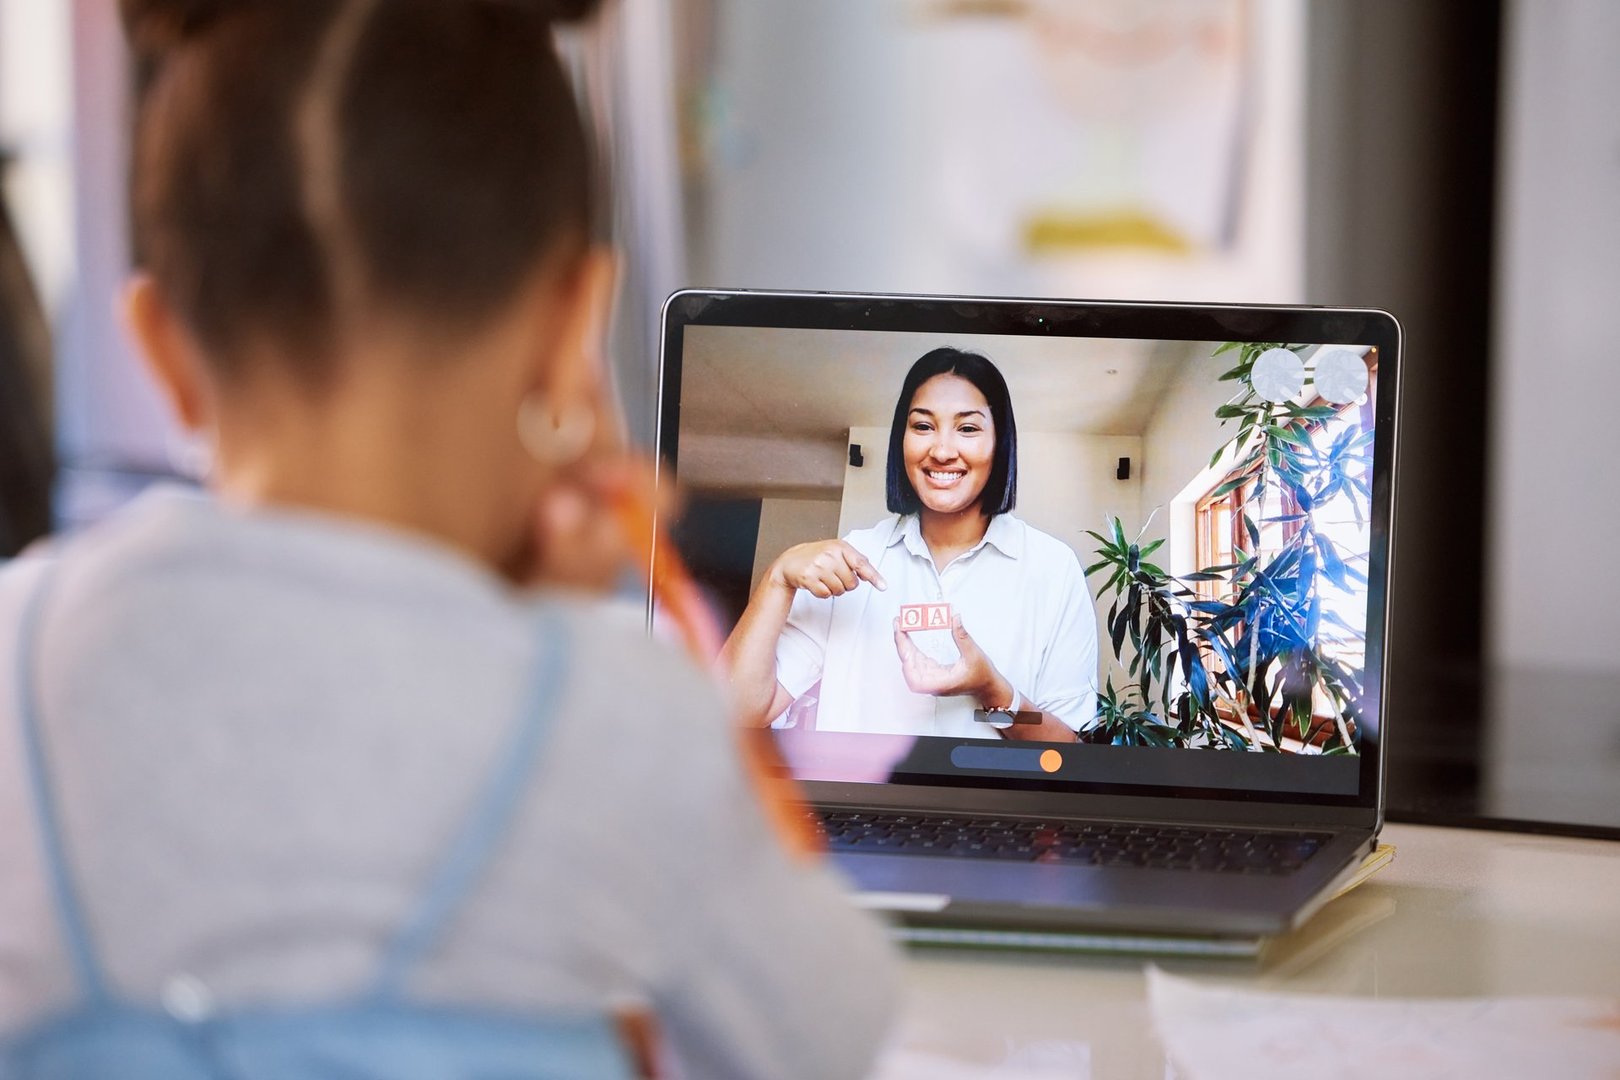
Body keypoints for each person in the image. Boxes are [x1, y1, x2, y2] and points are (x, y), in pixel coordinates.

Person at [0, 1, 897, 1077]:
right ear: (577, 327)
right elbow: (828, 1034)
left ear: (161, 345)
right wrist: (559, 636)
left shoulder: (16, 652)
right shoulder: (613, 714)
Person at [721, 347, 1099, 742]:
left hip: (996, 806)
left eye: (967, 429)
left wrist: (994, 691)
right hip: (862, 803)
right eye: (923, 427)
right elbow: (740, 713)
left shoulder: (1051, 568)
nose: (942, 451)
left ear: (1000, 442)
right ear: (901, 438)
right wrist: (777, 578)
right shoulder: (854, 561)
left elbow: (1064, 745)